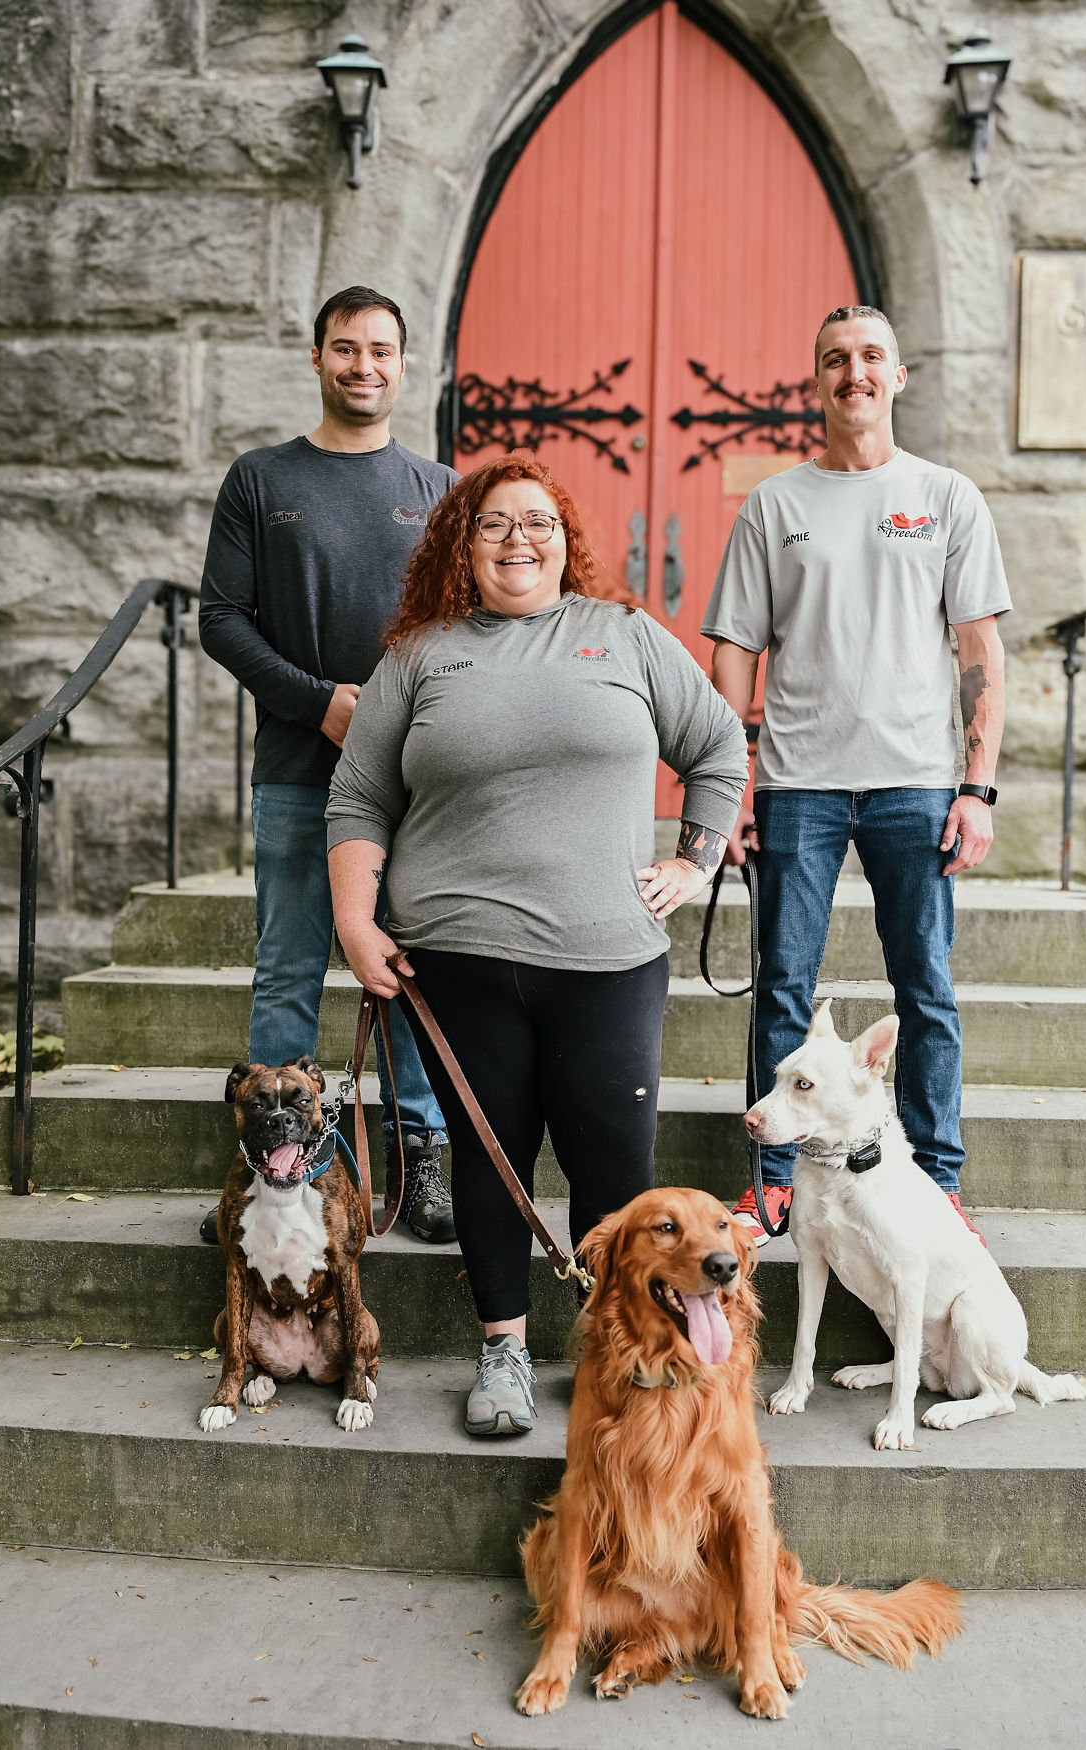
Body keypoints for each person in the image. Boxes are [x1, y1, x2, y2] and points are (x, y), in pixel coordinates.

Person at [326, 452, 748, 1436]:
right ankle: (505, 1351)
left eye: (539, 521)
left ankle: (618, 1353)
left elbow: (719, 746)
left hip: (608, 955)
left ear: (567, 539)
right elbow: (358, 797)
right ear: (460, 545)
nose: (520, 539)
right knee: (488, 1155)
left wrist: (694, 861)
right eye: (495, 524)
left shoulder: (625, 635)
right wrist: (355, 919)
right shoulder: (422, 656)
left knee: (613, 1164)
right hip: (456, 960)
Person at [702, 304, 1010, 1246]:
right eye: (836, 359)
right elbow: (733, 649)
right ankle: (773, 1181)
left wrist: (977, 785)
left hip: (917, 781)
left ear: (898, 374)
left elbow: (980, 650)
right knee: (783, 987)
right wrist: (734, 779)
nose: (855, 373)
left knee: (925, 987)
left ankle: (941, 1178)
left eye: (872, 356)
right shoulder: (776, 504)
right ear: (818, 380)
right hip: (799, 783)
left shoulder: (946, 496)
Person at [198, 284, 457, 1244]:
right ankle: (270, 1177)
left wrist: (400, 722)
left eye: (381, 350)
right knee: (289, 970)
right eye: (345, 349)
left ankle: (419, 1159)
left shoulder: (438, 490)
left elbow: (466, 631)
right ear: (318, 359)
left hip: (415, 785)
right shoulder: (261, 480)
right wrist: (323, 702)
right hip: (299, 770)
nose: (364, 366)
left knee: (410, 972)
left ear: (403, 362)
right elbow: (220, 619)